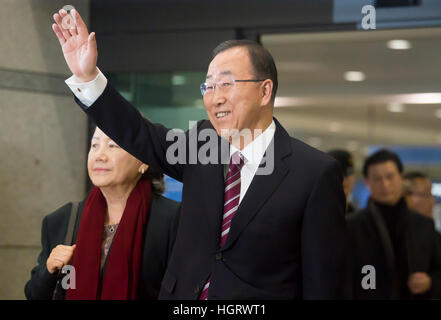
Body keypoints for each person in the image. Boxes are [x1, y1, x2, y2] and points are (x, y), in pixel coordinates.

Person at [51, 8, 346, 299]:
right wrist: (88, 77)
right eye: (209, 85)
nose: (215, 98)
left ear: (265, 91)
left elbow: (322, 282)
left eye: (227, 84)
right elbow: (140, 134)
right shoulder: (202, 145)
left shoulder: (313, 173)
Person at [25, 127, 180, 300]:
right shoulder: (63, 220)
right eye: (94, 145)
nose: (100, 155)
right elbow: (34, 295)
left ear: (143, 161)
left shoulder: (173, 219)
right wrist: (49, 271)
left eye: (113, 146)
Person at [346, 149, 441, 299]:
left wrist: (430, 282)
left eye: (390, 177)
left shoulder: (424, 226)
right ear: (367, 182)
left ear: (400, 178)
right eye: (377, 178)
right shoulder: (352, 226)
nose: (385, 184)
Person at [328, 149, 357, 214]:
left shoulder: (360, 220)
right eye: (337, 174)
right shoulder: (311, 217)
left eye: (349, 173)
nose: (344, 179)